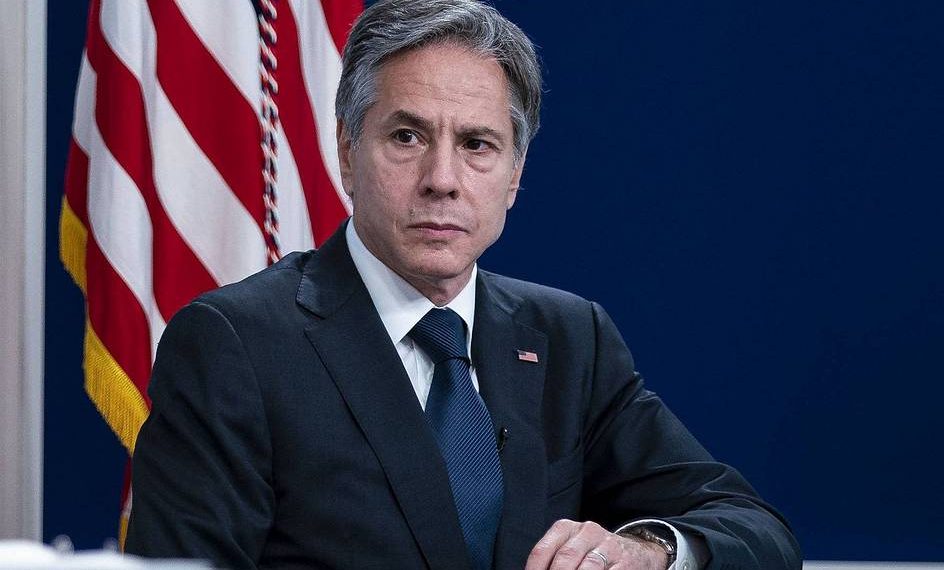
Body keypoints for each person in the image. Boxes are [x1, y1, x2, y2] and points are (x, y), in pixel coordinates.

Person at [125, 1, 801, 568]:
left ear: (514, 172)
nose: (442, 179)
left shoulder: (569, 338)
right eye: (408, 137)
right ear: (346, 152)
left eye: (478, 144)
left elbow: (756, 531)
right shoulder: (234, 345)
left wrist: (652, 547)